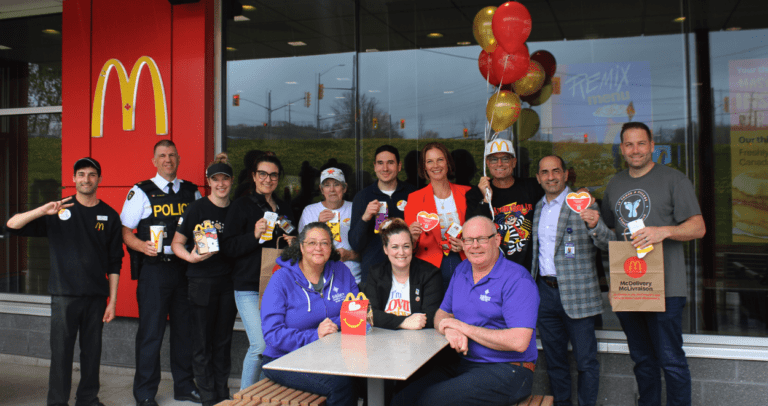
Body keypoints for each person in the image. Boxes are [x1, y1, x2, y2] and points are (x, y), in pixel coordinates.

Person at [601, 122, 705, 406]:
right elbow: (612, 236)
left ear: (652, 146)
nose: (635, 150)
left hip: (666, 288)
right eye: (629, 145)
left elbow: (698, 227)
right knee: (643, 361)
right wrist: (613, 285)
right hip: (629, 286)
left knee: (671, 360)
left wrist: (664, 231)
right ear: (622, 149)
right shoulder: (615, 183)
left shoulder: (674, 179)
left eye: (641, 143)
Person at [6, 157, 122, 406]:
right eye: (81, 174)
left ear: (99, 179)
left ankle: (88, 399)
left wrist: (112, 300)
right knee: (61, 355)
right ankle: (57, 402)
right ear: (73, 179)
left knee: (92, 354)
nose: (86, 179)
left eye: (92, 175)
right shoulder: (58, 210)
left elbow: (115, 262)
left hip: (96, 298)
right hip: (63, 296)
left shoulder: (110, 216)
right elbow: (12, 225)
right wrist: (42, 210)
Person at [392, 216, 539, 406]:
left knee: (432, 401)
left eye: (482, 239)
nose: (474, 245)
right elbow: (441, 315)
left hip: (509, 369)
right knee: (402, 398)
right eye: (468, 240)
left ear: (496, 240)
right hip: (465, 363)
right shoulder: (462, 270)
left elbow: (519, 341)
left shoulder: (517, 279)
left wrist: (463, 327)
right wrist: (450, 329)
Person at [121, 140, 202, 406]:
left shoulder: (192, 193)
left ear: (178, 158)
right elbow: (125, 232)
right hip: (154, 270)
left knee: (184, 332)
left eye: (171, 155)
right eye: (162, 156)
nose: (167, 160)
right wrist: (140, 245)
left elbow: (202, 229)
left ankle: (184, 386)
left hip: (185, 270)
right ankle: (145, 393)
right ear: (154, 161)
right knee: (150, 333)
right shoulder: (140, 192)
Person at [531, 155, 613, 406]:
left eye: (556, 171)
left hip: (578, 295)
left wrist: (595, 225)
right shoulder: (537, 209)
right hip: (545, 295)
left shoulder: (585, 204)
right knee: (555, 363)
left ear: (566, 174)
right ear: (538, 178)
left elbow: (609, 244)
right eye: (545, 172)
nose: (551, 177)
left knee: (586, 362)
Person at [261, 222, 360, 406]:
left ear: (331, 248)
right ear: (301, 246)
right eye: (312, 243)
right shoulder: (281, 279)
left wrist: (332, 326)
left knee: (367, 377)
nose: (318, 248)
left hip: (329, 353)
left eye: (324, 243)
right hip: (284, 358)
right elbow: (272, 334)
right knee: (341, 385)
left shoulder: (341, 271)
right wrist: (315, 335)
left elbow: (358, 314)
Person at [221, 154, 297, 392]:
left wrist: (294, 242)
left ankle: (267, 394)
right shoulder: (240, 206)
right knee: (261, 344)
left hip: (280, 287)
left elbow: (294, 247)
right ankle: (245, 397)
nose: (268, 179)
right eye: (262, 174)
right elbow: (228, 247)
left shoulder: (285, 208)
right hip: (248, 287)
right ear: (254, 176)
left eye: (273, 175)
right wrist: (253, 236)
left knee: (276, 344)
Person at [171, 159, 237, 406]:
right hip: (201, 282)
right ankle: (209, 396)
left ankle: (221, 392)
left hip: (229, 283)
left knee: (223, 341)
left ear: (232, 181)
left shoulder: (237, 210)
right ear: (208, 182)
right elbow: (177, 243)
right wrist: (191, 257)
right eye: (215, 179)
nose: (221, 184)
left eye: (225, 178)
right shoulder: (196, 209)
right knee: (202, 342)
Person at [465, 139, 544, 271]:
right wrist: (485, 199)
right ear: (487, 163)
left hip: (528, 270)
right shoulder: (475, 194)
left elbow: (555, 192)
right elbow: (474, 232)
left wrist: (582, 191)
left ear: (514, 162)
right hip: (493, 270)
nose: (500, 163)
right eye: (494, 159)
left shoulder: (532, 188)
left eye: (505, 159)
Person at [405, 142, 470, 291]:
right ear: (424, 167)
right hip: (430, 267)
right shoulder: (414, 198)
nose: (436, 165)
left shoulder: (467, 193)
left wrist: (466, 245)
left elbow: (478, 231)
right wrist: (412, 238)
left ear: (448, 163)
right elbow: (411, 245)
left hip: (463, 261)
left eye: (440, 159)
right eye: (430, 161)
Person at [349, 145, 416, 283]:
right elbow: (355, 244)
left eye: (390, 163)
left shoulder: (413, 194)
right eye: (380, 163)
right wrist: (365, 218)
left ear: (399, 166)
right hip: (374, 275)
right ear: (374, 166)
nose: (385, 168)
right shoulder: (362, 197)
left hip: (409, 271)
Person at [364, 218, 443, 330]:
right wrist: (403, 322)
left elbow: (431, 316)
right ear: (386, 249)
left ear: (412, 247)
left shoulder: (430, 274)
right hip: (383, 339)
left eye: (406, 246)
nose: (401, 252)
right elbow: (370, 313)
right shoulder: (376, 273)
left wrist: (387, 320)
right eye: (395, 247)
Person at [298, 167, 361, 283]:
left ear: (344, 188)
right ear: (321, 190)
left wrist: (349, 255)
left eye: (336, 184)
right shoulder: (310, 211)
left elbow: (369, 249)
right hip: (320, 280)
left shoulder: (355, 208)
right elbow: (301, 249)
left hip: (352, 279)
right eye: (327, 185)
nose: (332, 189)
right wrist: (318, 226)